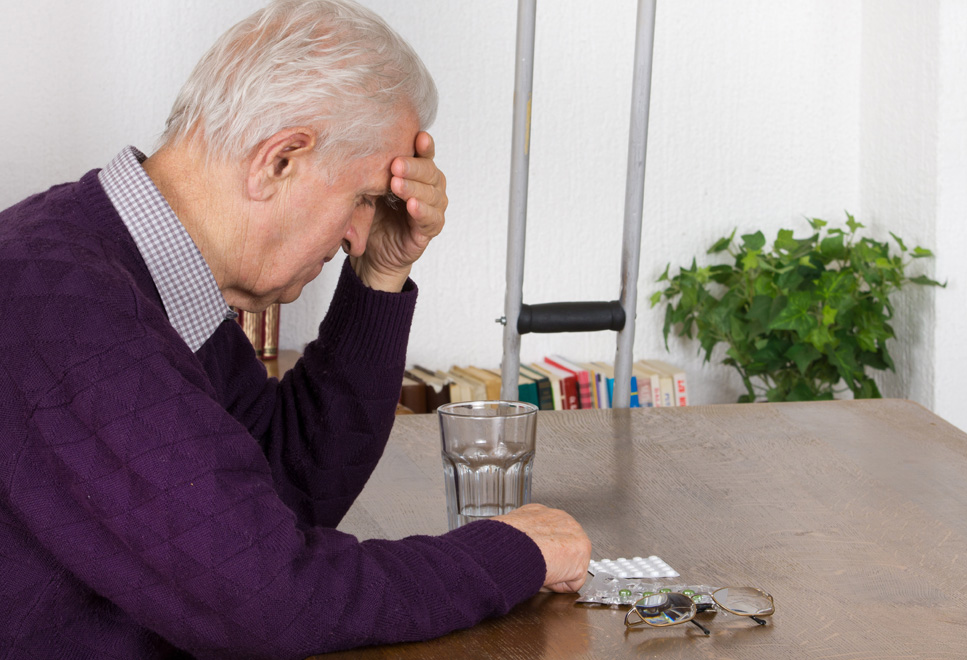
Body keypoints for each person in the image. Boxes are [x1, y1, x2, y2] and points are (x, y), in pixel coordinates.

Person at [0, 1, 591, 657]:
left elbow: (286, 492)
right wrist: (511, 553)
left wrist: (381, 274)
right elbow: (273, 601)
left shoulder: (127, 269)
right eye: (367, 198)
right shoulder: (69, 311)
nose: (357, 235)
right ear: (280, 159)